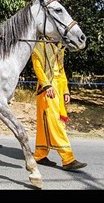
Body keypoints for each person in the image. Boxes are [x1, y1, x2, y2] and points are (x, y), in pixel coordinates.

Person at [31, 37, 87, 170]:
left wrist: (66, 90)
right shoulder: (41, 44)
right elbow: (37, 65)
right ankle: (68, 158)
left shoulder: (60, 46)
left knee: (47, 121)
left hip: (59, 86)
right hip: (47, 88)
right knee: (56, 122)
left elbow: (61, 70)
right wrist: (46, 85)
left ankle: (40, 154)